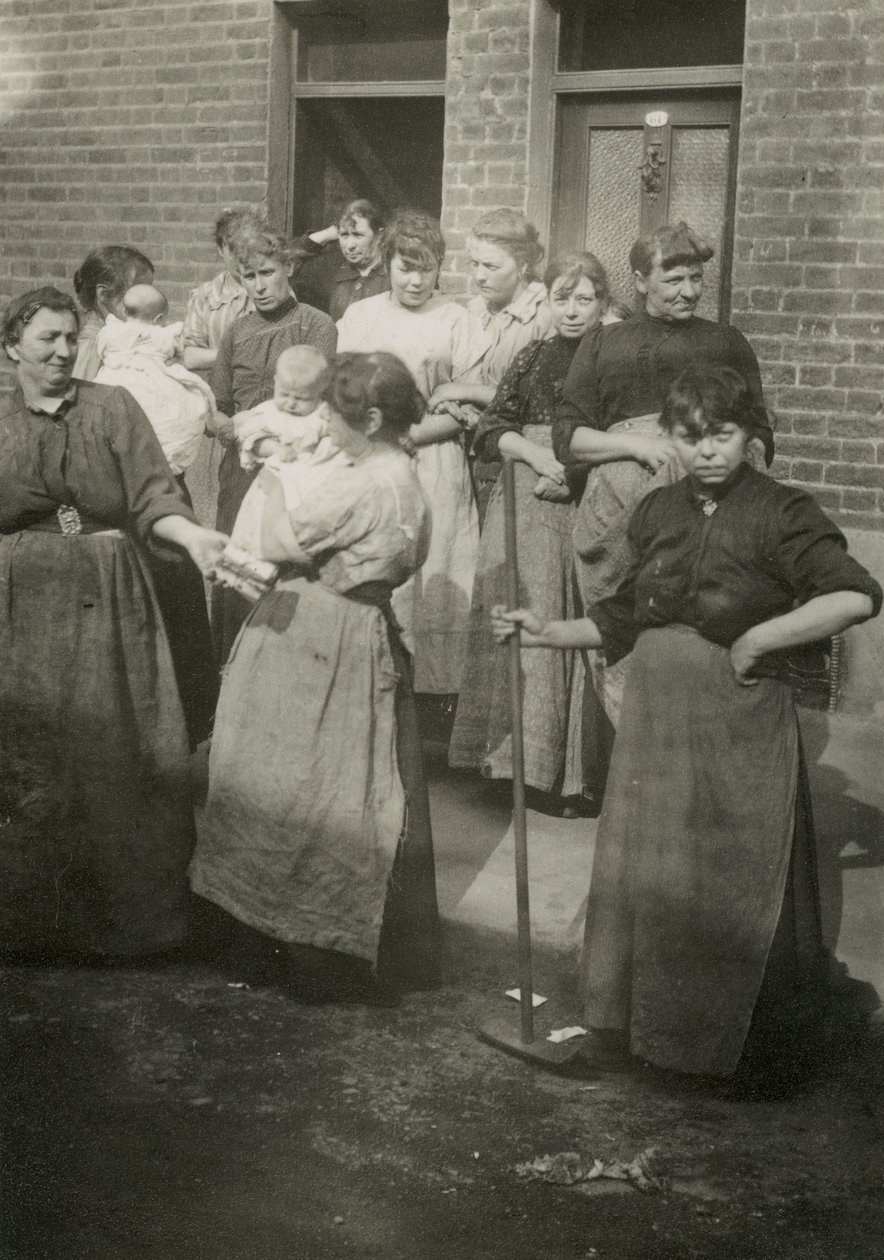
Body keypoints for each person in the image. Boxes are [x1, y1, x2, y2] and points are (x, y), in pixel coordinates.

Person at [494, 365, 881, 1086]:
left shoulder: (782, 511)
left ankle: (723, 1047)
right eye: (693, 437)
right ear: (672, 438)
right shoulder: (658, 510)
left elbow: (855, 597)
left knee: (727, 874)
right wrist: (546, 630)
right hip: (656, 716)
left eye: (724, 435)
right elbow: (624, 616)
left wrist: (761, 640)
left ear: (750, 436)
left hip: (737, 715)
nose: (708, 451)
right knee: (649, 871)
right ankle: (639, 1028)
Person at [190, 351, 441, 1003]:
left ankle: (294, 943)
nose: (326, 424)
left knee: (296, 786)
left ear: (373, 417)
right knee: (351, 787)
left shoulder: (360, 483)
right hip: (363, 628)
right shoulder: (404, 472)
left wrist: (273, 474)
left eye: (336, 412)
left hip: (320, 637)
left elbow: (275, 540)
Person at [0, 287, 228, 959]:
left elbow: (155, 491)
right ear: (13, 345)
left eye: (73, 338)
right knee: (25, 751)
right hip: (18, 596)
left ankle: (126, 924)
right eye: (48, 339)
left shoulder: (113, 408)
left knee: (114, 751)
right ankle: (23, 922)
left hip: (108, 593)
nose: (65, 351)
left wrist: (192, 536)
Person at [552, 221, 772, 790]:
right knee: (622, 627)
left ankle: (706, 769)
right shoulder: (603, 342)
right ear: (641, 280)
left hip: (709, 500)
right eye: (673, 279)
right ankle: (646, 769)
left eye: (696, 279)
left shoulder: (726, 342)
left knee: (702, 625)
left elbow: (760, 433)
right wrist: (638, 444)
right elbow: (568, 436)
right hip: (620, 504)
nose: (688, 291)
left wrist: (722, 462)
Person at [449, 253, 618, 809]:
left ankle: (567, 776)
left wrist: (570, 471)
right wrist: (535, 457)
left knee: (567, 619)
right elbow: (494, 426)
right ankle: (507, 764)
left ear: (604, 303)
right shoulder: (535, 354)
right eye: (560, 299)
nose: (571, 311)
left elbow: (623, 437)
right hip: (524, 494)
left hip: (585, 494)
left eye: (583, 299)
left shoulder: (613, 358)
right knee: (514, 608)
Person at [336, 212, 491, 713]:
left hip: (434, 462)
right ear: (387, 264)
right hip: (371, 460)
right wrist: (377, 443)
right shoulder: (361, 317)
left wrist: (411, 437)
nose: (417, 280)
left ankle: (430, 710)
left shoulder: (457, 319)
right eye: (406, 268)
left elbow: (465, 409)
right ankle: (374, 691)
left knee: (437, 569)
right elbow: (344, 395)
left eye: (428, 269)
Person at [210, 221, 338, 661]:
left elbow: (325, 401)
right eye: (250, 277)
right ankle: (228, 687)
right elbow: (218, 406)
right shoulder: (235, 332)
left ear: (287, 268)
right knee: (237, 575)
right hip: (242, 472)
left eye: (267, 273)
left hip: (296, 472)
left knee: (289, 575)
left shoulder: (315, 326)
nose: (260, 286)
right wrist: (228, 425)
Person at [426, 208, 552, 523]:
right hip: (467, 454)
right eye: (475, 264)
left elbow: (536, 398)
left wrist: (460, 389)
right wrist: (455, 403)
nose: (479, 275)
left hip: (518, 462)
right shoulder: (473, 310)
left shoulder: (546, 313)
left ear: (523, 266)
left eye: (492, 266)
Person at [228, 345, 342, 558]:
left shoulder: (322, 415)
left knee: (302, 536)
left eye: (301, 399)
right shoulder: (270, 413)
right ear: (275, 383)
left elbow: (336, 441)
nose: (290, 403)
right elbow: (251, 440)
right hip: (274, 486)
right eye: (284, 394)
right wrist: (277, 448)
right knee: (260, 530)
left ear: (320, 392)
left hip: (310, 487)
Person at [95, 283, 217, 479]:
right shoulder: (164, 334)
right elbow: (175, 348)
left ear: (125, 311)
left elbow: (102, 348)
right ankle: (167, 460)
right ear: (159, 319)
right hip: (150, 379)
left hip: (116, 378)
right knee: (166, 413)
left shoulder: (112, 332)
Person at [72, 244, 154, 381]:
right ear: (104, 294)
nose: (147, 302)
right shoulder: (93, 345)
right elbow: (80, 396)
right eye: (138, 293)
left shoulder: (120, 338)